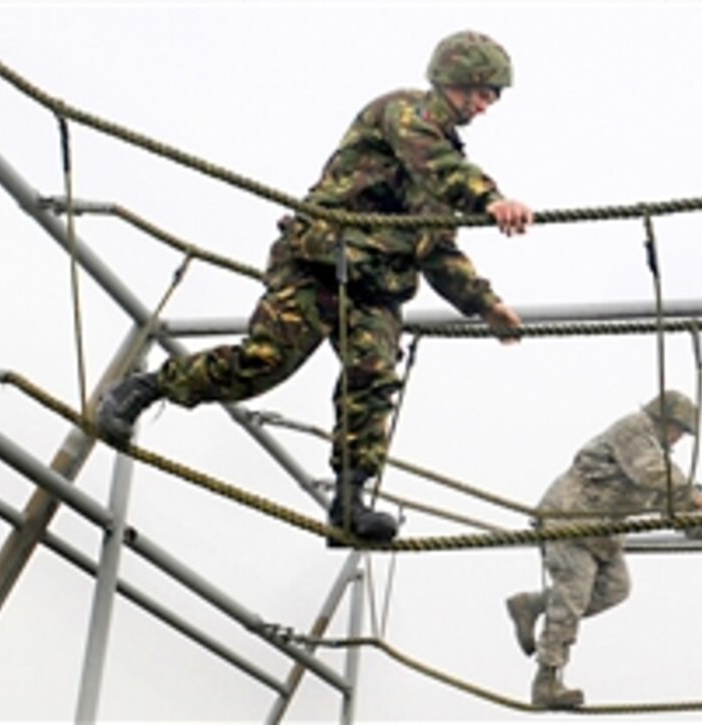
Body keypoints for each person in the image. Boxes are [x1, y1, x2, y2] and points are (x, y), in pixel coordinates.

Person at [95, 30, 533, 544]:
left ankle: (348, 504)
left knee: (372, 380)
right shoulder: (405, 114)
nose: (485, 106)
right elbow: (434, 161)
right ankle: (143, 389)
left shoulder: (438, 172)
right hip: (319, 261)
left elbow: (435, 249)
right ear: (456, 80)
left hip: (375, 286)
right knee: (264, 361)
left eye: (492, 96)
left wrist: (486, 305)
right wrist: (490, 199)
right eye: (482, 92)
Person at [505, 390, 702, 709]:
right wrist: (695, 495)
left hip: (603, 534)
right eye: (679, 428)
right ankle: (546, 680)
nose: (679, 438)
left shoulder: (658, 456)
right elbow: (651, 472)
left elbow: (671, 504)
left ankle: (531, 605)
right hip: (570, 519)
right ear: (664, 419)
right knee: (573, 594)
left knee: (615, 588)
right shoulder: (634, 430)